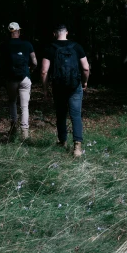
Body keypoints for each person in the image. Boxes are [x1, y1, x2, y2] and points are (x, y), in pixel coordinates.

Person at [40, 24, 90, 157]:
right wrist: (84, 82)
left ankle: (62, 141)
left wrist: (45, 89)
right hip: (74, 86)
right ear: (66, 33)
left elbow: (44, 71)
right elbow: (85, 68)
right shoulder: (77, 47)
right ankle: (77, 147)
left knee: (61, 114)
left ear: (54, 34)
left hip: (58, 87)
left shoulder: (50, 48)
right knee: (76, 116)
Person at [0, 22, 37, 141]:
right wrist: (31, 69)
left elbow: (1, 63)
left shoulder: (4, 45)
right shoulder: (27, 44)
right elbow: (35, 62)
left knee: (12, 102)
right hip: (25, 77)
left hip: (11, 79)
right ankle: (25, 133)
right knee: (25, 106)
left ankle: (13, 128)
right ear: (18, 32)